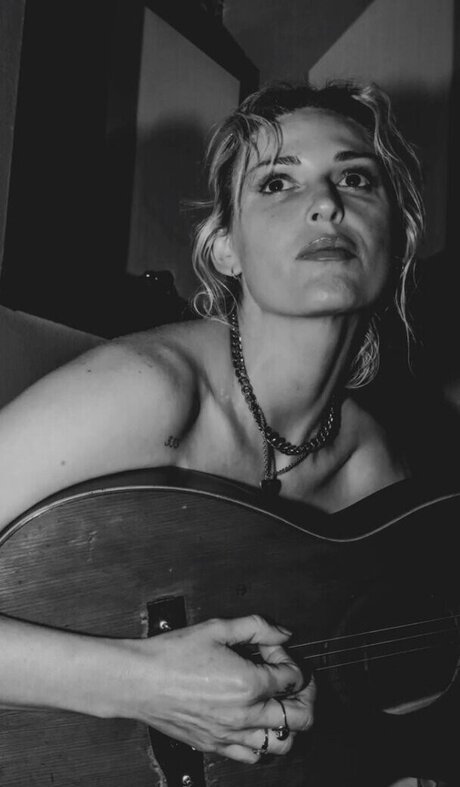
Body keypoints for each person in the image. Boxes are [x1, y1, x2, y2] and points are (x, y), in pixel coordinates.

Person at [0, 77, 443, 785]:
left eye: (356, 178)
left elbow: (369, 690)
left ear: (397, 236)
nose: (327, 203)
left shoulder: (376, 472)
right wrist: (142, 684)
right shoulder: (150, 392)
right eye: (277, 183)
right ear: (227, 248)